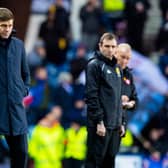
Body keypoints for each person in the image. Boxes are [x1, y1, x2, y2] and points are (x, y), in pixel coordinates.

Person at [85, 32, 125, 168]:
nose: (110, 50)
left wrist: (121, 122)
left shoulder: (118, 68)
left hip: (114, 126)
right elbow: (91, 96)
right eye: (107, 46)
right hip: (100, 126)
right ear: (100, 46)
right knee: (94, 163)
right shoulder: (94, 65)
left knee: (109, 163)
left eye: (113, 47)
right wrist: (99, 121)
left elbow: (118, 97)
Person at [0, 8, 30, 168]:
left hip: (16, 107)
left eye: (10, 25)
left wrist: (23, 91)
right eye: (3, 25)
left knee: (21, 153)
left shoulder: (19, 45)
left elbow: (26, 74)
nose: (7, 29)